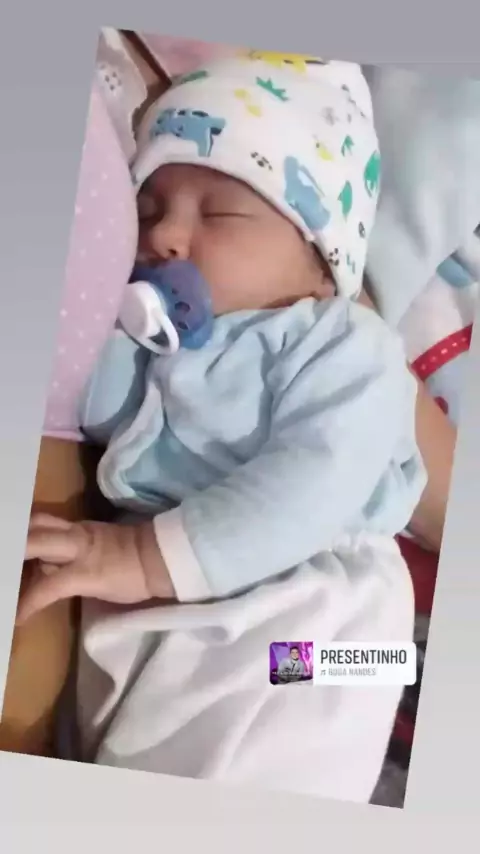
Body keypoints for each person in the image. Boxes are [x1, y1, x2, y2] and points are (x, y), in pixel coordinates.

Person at [15, 56, 427, 803]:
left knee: (283, 736)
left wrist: (143, 558)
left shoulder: (341, 343)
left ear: (320, 263)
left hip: (320, 609)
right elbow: (95, 408)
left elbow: (321, 475)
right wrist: (107, 319)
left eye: (220, 213)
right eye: (149, 210)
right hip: (160, 587)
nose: (167, 236)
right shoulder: (156, 341)